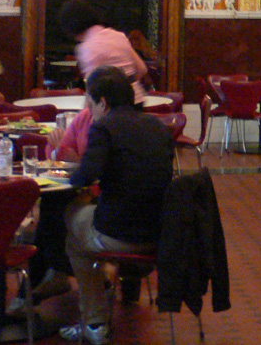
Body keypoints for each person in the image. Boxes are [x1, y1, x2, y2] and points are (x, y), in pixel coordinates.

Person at [58, 66, 174, 344]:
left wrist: (64, 174)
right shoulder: (157, 126)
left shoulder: (104, 127)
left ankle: (95, 322)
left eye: (90, 103)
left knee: (72, 224)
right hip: (162, 235)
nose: (90, 109)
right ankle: (106, 285)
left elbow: (85, 176)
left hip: (120, 235)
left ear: (103, 103)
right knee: (88, 216)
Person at [59, 0, 149, 97]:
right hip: (136, 99)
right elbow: (142, 69)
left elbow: (92, 90)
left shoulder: (86, 48)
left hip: (110, 108)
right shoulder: (119, 36)